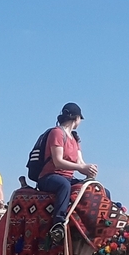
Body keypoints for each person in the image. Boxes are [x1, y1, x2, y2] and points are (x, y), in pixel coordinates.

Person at [41, 103, 99, 245]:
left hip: (68, 177)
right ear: (77, 118)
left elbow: (81, 162)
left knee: (95, 188)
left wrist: (89, 171)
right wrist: (81, 167)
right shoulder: (57, 133)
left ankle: (98, 221)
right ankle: (58, 224)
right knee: (64, 185)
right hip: (50, 177)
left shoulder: (74, 139)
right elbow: (58, 161)